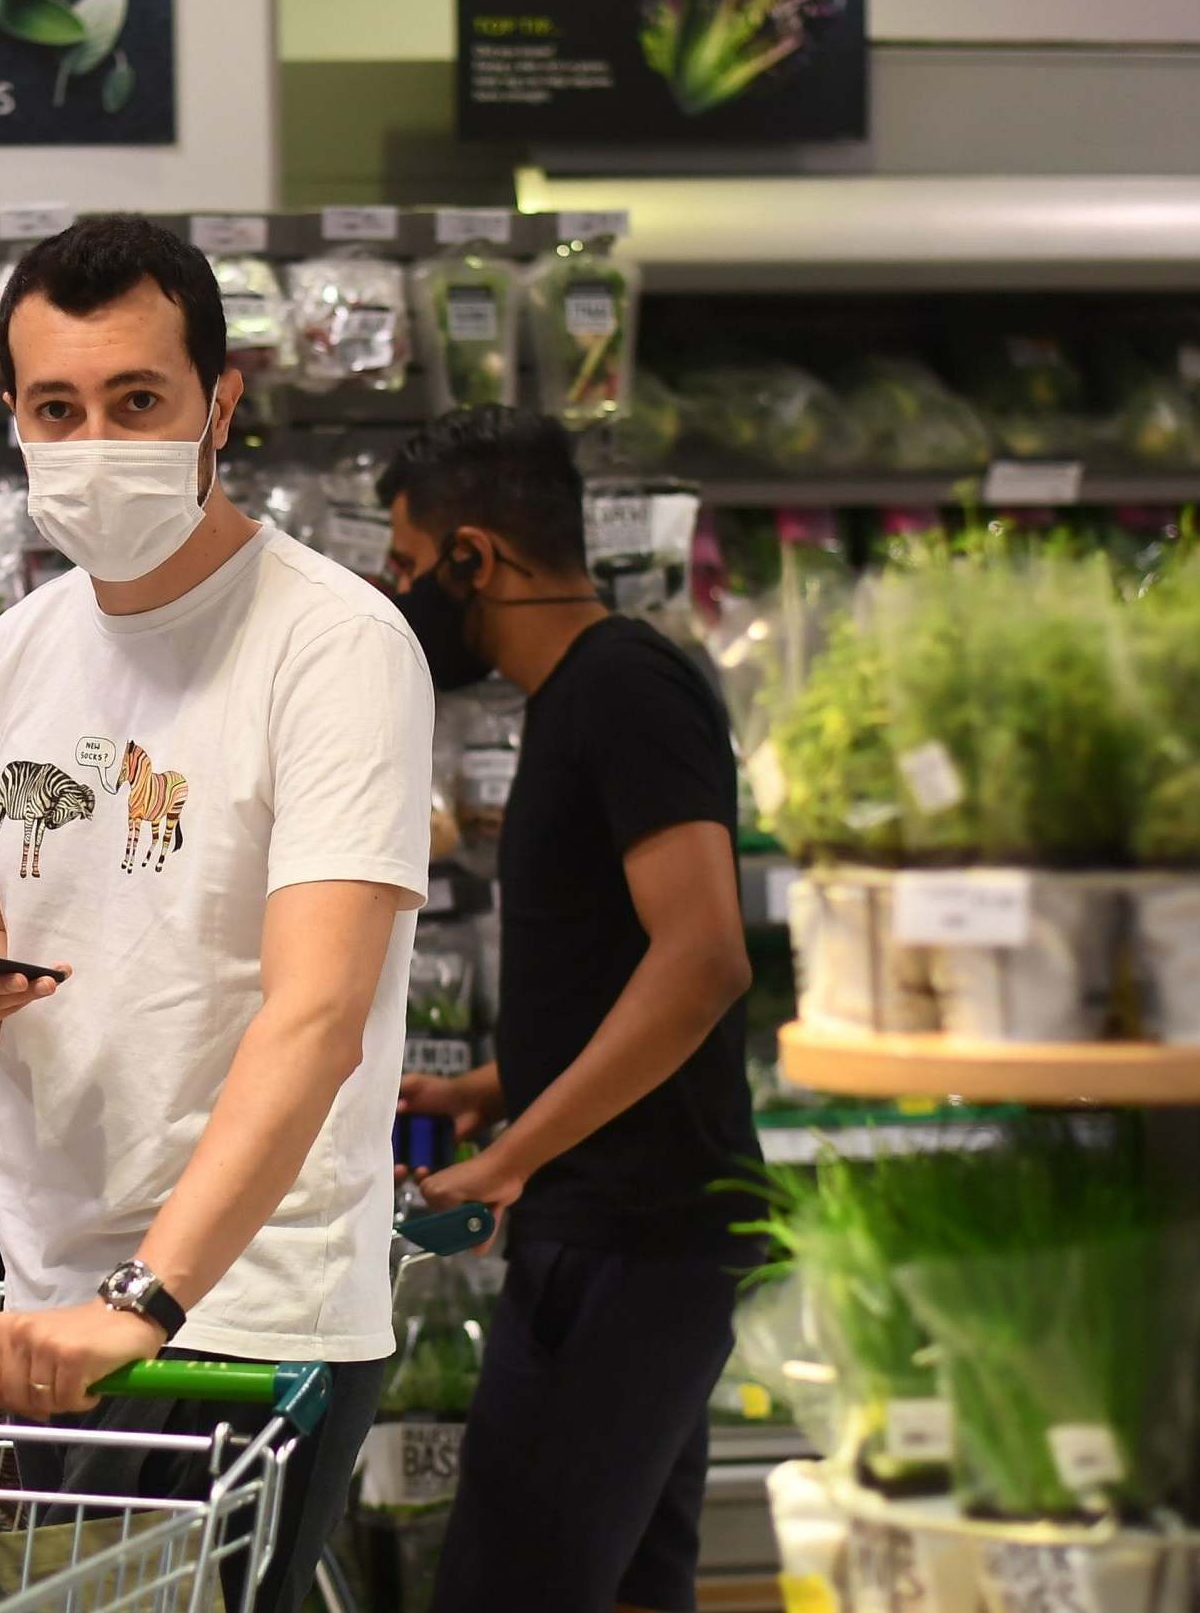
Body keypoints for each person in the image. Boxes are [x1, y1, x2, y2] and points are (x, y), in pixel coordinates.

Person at [0, 215, 434, 1613]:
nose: (94, 441)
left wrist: (144, 1301)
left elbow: (317, 1017)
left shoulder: (335, 645)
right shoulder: (21, 645)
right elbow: (14, 912)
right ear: (11, 419)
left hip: (237, 1307)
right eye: (55, 408)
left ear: (222, 403)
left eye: (136, 400)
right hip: (49, 1290)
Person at [383, 407, 761, 1613]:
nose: (397, 595)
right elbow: (615, 971)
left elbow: (703, 960)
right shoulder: (577, 697)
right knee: (638, 1581)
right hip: (632, 1228)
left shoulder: (624, 687)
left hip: (628, 1231)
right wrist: (480, 1093)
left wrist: (507, 1162)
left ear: (473, 559)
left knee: (513, 1586)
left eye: (404, 563)